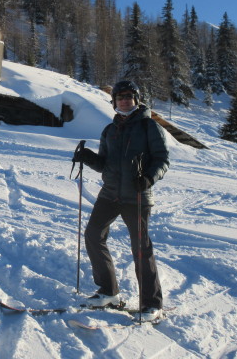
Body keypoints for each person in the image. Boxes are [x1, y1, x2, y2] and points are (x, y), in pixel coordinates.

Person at [72, 80, 169, 322]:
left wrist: (148, 178)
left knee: (141, 249)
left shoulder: (149, 127)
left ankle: (152, 304)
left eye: (129, 96)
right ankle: (108, 292)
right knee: (93, 235)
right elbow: (104, 164)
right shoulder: (109, 130)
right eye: (120, 96)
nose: (124, 100)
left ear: (136, 100)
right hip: (110, 193)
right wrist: (88, 157)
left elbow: (162, 159)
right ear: (114, 101)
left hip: (137, 195)